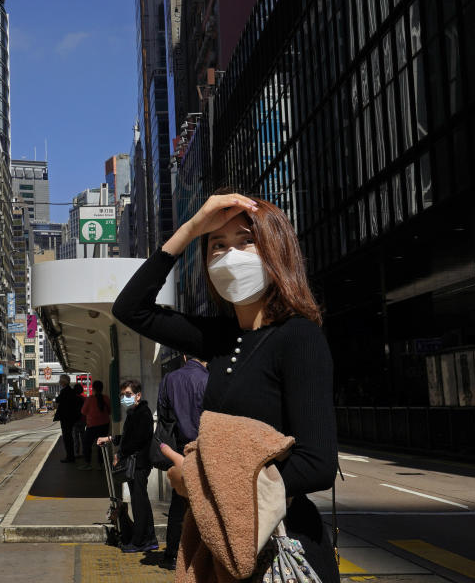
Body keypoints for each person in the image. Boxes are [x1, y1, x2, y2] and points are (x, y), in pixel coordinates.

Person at [112, 192, 339, 580]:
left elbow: (318, 465)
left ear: (275, 250)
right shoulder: (219, 336)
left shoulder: (298, 336)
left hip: (282, 546)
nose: (231, 255)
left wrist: (200, 482)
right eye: (218, 245)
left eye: (246, 240)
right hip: (224, 544)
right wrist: (192, 228)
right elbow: (131, 308)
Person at [155, 355, 208, 569]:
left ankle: (171, 554)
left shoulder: (170, 379)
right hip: (205, 448)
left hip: (179, 448)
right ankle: (201, 554)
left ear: (185, 356)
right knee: (206, 501)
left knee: (178, 503)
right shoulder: (210, 380)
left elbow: (164, 413)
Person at [96, 379, 157, 553]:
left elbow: (137, 440)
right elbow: (127, 437)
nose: (125, 398)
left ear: (138, 395)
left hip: (140, 463)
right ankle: (149, 538)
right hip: (136, 463)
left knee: (139, 503)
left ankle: (140, 541)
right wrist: (110, 439)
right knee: (140, 501)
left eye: (128, 394)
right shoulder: (134, 413)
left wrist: (120, 454)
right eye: (122, 395)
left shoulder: (143, 413)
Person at [78, 380, 111, 471]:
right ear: (102, 388)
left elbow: (83, 412)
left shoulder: (90, 399)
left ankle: (88, 464)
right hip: (104, 425)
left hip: (92, 425)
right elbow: (109, 411)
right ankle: (101, 464)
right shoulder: (106, 398)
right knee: (101, 444)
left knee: (86, 444)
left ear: (93, 389)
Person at [53, 375, 81, 462]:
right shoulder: (71, 391)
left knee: (67, 438)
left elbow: (57, 400)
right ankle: (71, 456)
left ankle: (70, 457)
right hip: (71, 418)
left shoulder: (65, 391)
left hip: (66, 418)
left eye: (60, 380)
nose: (59, 382)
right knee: (69, 437)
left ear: (64, 382)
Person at [71, 383, 87, 462]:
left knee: (75, 437)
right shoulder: (84, 399)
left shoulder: (71, 399)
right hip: (82, 420)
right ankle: (84, 452)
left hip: (74, 421)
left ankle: (76, 453)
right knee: (83, 437)